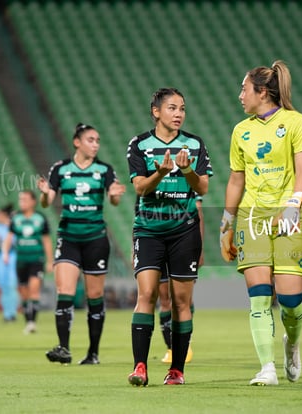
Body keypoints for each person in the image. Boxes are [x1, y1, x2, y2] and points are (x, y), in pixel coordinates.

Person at [220, 60, 302, 386]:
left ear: (262, 91)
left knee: (290, 302)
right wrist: (227, 223)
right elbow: (236, 179)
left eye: (244, 89)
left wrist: (292, 207)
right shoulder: (241, 130)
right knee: (259, 295)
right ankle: (267, 368)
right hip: (252, 217)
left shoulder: (297, 123)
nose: (240, 95)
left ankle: (292, 345)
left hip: (288, 216)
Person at [127, 87, 212, 386]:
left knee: (180, 301)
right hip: (149, 230)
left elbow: (202, 188)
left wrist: (187, 171)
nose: (178, 114)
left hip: (184, 231)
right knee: (147, 294)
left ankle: (177, 371)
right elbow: (140, 188)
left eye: (182, 109)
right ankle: (140, 367)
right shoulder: (139, 144)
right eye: (172, 108)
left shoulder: (194, 144)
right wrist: (161, 173)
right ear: (156, 111)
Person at [38, 123, 125, 365]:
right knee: (64, 291)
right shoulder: (61, 169)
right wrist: (45, 193)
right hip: (69, 237)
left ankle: (93, 353)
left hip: (95, 238)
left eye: (98, 140)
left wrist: (116, 195)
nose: (95, 144)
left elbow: (114, 200)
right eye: (90, 139)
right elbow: (47, 202)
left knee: (94, 295)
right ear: (77, 142)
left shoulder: (105, 170)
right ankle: (63, 349)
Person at [160, 197, 204, 364]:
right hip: (156, 239)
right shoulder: (150, 176)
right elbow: (139, 212)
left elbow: (198, 211)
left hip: (183, 240)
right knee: (164, 298)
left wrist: (199, 248)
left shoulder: (186, 177)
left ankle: (186, 344)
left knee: (183, 299)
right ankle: (170, 348)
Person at [3, 190, 53, 334]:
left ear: (33, 202)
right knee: (24, 292)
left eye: (25, 199)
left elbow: (46, 241)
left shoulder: (40, 218)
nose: (22, 202)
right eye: (20, 199)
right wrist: (5, 253)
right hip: (21, 260)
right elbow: (9, 237)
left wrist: (50, 261)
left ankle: (32, 322)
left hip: (36, 259)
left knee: (34, 288)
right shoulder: (16, 218)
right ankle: (28, 320)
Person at [0, 204, 18, 322]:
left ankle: (12, 312)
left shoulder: (13, 227)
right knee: (3, 286)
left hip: (12, 256)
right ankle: (7, 313)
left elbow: (16, 242)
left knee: (12, 285)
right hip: (0, 257)